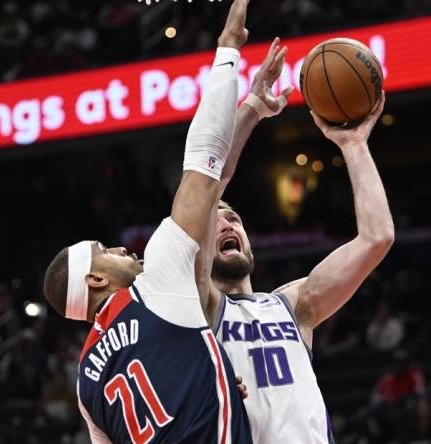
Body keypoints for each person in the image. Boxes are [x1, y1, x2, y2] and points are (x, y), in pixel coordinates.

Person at [41, 2, 257, 442]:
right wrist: (228, 51)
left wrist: (209, 385)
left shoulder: (86, 383)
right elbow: (202, 164)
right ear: (96, 279)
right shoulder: (154, 282)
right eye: (106, 251)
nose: (121, 249)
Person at [202, 78, 394, 441]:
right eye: (216, 221)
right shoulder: (199, 308)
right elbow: (205, 188)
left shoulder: (293, 304)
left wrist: (354, 145)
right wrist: (250, 111)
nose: (228, 223)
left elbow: (376, 237)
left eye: (235, 220)